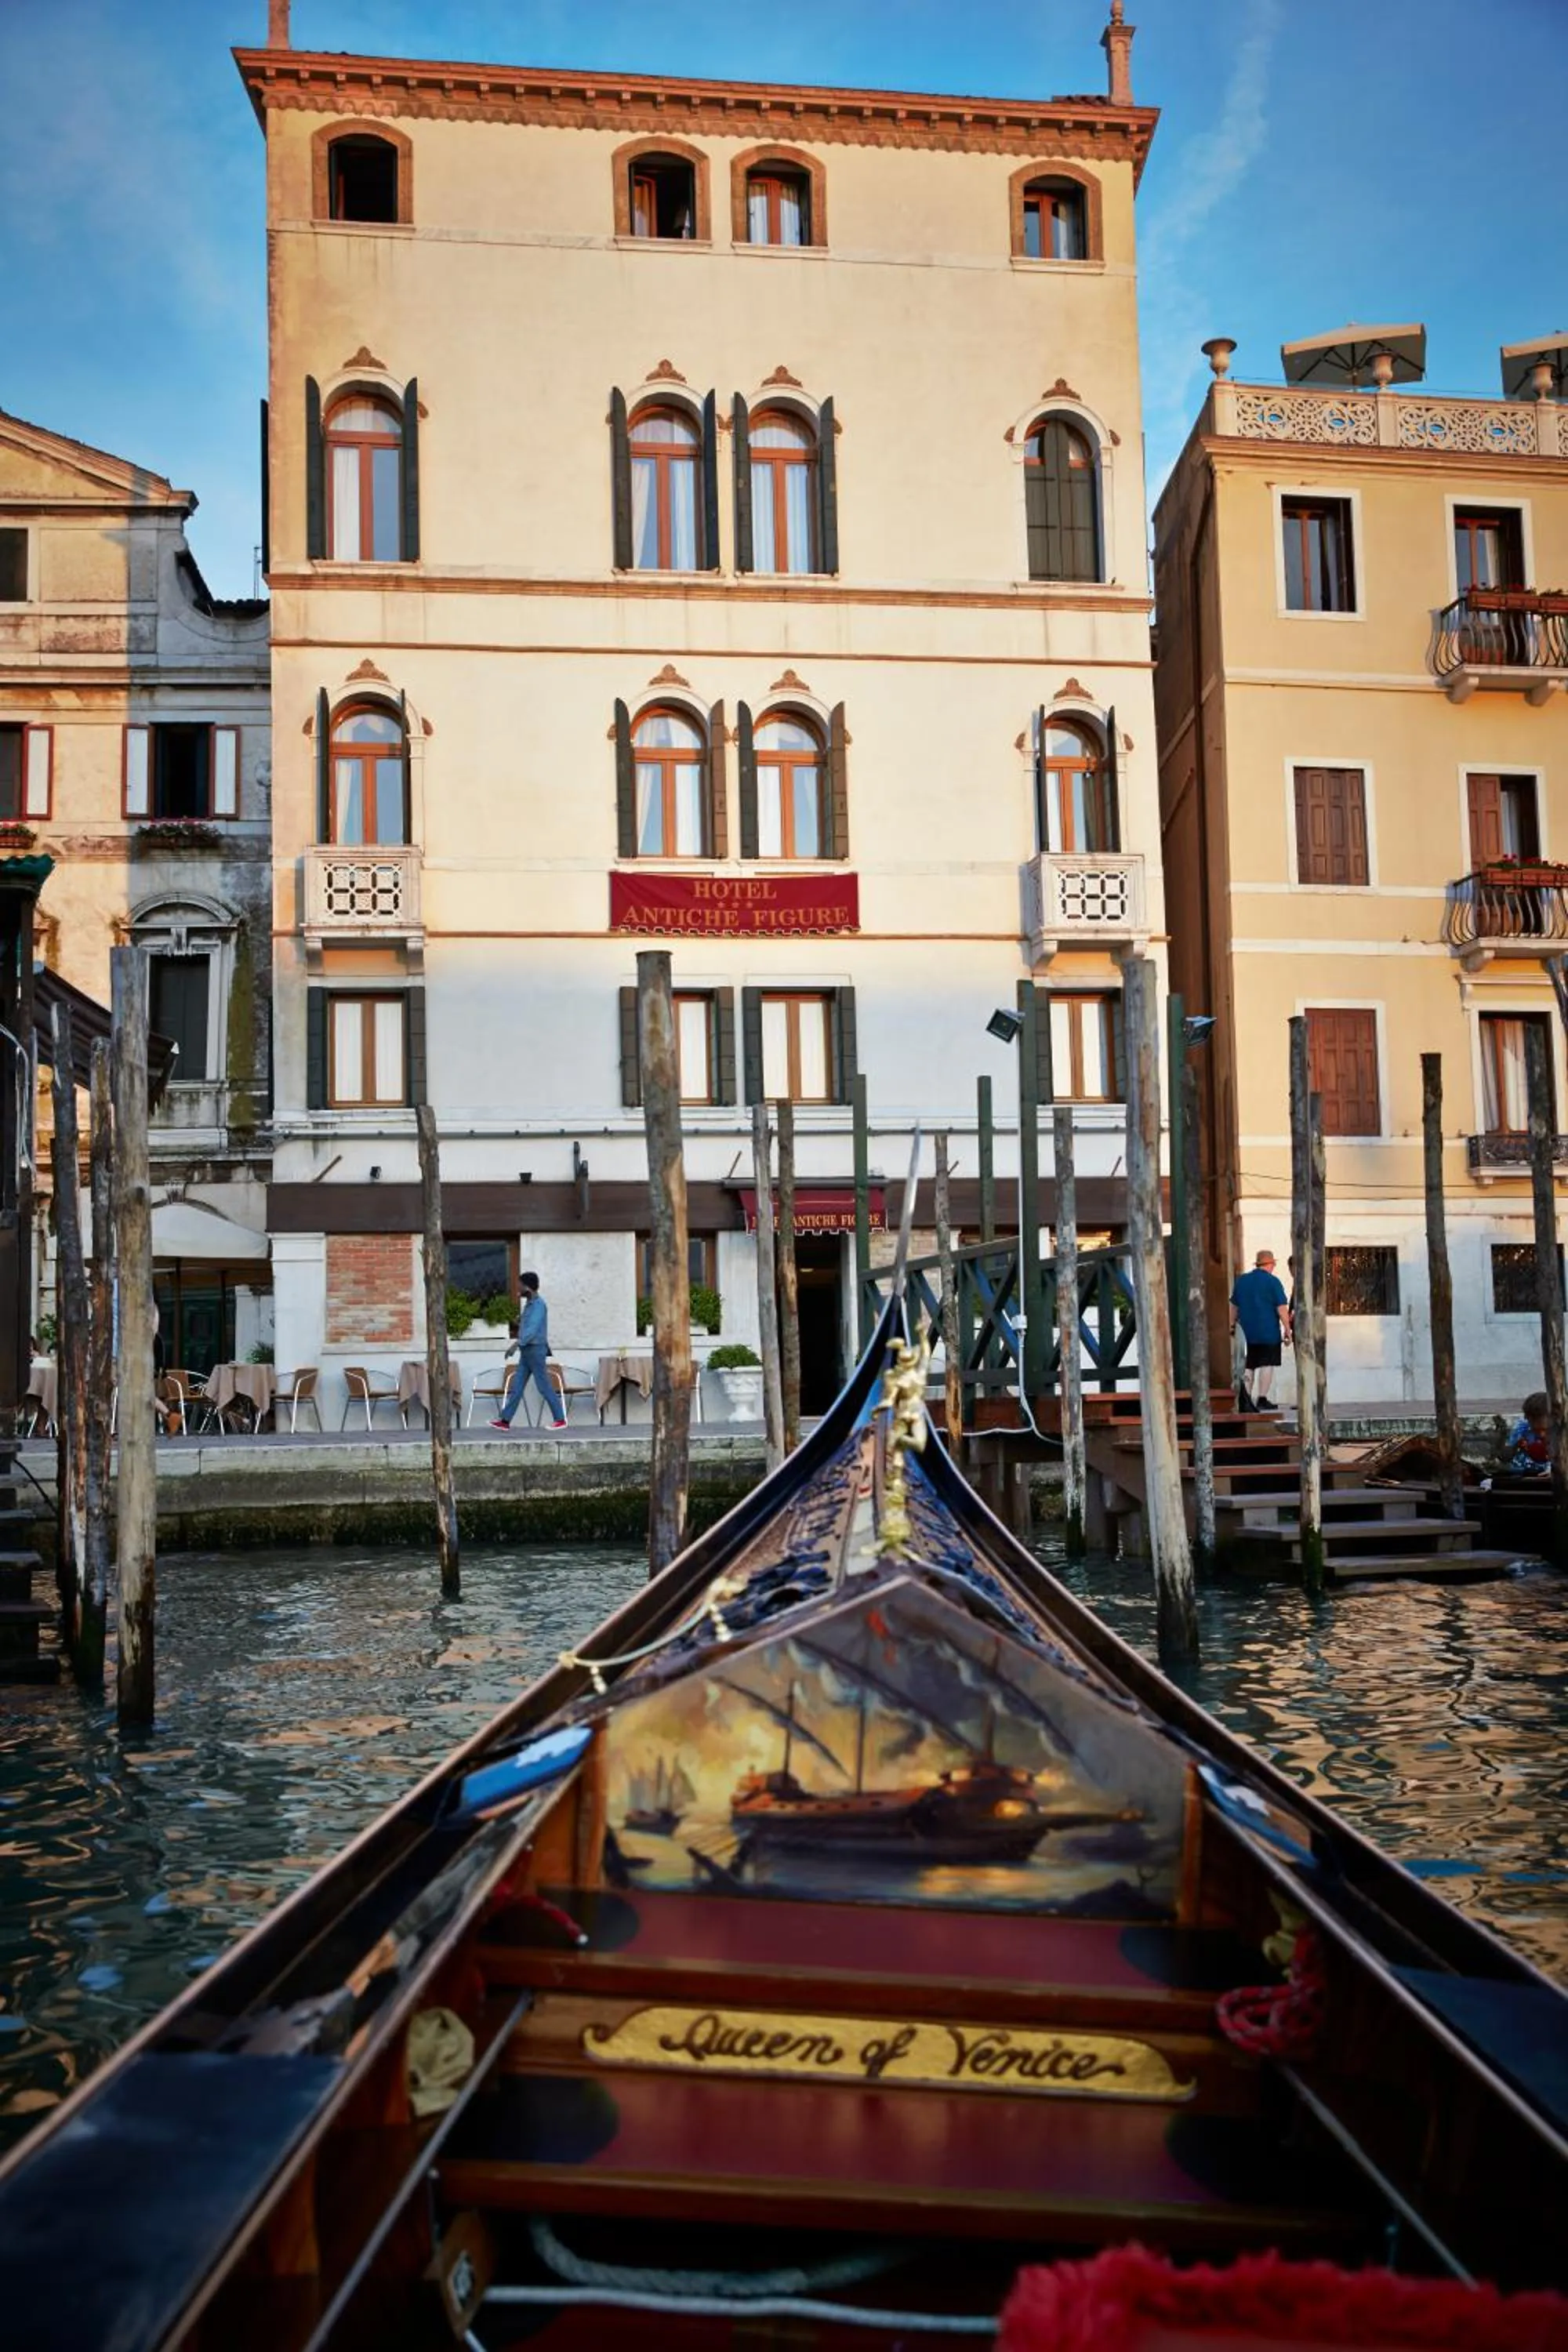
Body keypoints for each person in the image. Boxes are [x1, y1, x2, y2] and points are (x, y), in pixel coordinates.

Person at [490, 1272, 566, 1432]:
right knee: (517, 1386)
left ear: (528, 1287)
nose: (518, 1289)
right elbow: (527, 1325)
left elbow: (532, 1330)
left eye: (520, 1286)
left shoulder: (539, 1305)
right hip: (527, 1351)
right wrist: (516, 1320)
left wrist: (516, 1344)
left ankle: (560, 1419)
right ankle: (505, 1421)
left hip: (536, 1350)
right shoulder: (530, 1305)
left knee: (543, 1385)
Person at [1229, 1249, 1291, 1411]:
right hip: (1268, 1332)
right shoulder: (1273, 1282)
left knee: (1248, 1365)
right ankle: (1262, 1398)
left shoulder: (1242, 1281)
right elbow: (1281, 1308)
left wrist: (1231, 1326)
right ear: (1271, 1264)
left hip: (1246, 1332)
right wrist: (1288, 1329)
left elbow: (1234, 1307)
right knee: (1267, 1364)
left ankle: (1246, 1398)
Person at [1504, 1391, 1551, 1476]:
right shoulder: (1521, 1430)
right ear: (1527, 1418)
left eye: (1546, 1430)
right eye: (1536, 1430)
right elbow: (1510, 1455)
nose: (1541, 1434)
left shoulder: (1561, 1431)